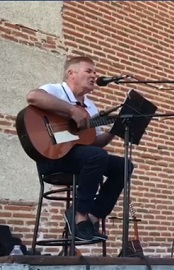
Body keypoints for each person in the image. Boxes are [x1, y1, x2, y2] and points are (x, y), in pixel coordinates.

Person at [26, 56, 131, 242]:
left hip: (79, 157)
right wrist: (71, 110)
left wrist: (116, 130)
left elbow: (94, 142)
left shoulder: (90, 106)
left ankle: (92, 217)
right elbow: (33, 96)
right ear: (71, 73)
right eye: (88, 71)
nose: (94, 76)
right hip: (52, 156)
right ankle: (78, 215)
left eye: (95, 72)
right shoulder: (56, 90)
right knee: (97, 156)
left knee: (124, 166)